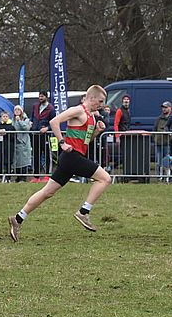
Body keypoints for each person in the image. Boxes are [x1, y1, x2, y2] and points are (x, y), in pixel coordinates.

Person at [8, 85, 111, 242]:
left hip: (72, 158)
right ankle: (83, 212)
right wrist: (62, 142)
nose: (102, 105)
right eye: (101, 101)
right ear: (91, 98)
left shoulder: (91, 117)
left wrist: (97, 132)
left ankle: (18, 218)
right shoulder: (78, 110)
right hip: (71, 157)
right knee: (105, 178)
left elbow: (85, 142)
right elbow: (54, 121)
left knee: (47, 192)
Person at [31, 91, 54, 180]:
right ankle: (36, 176)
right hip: (35, 134)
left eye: (42, 96)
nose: (40, 98)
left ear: (46, 97)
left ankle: (47, 175)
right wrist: (31, 123)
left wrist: (47, 128)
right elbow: (32, 117)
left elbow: (53, 122)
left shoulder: (50, 109)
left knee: (47, 155)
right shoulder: (35, 106)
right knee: (36, 155)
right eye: (39, 96)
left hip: (45, 135)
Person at [11, 105, 33, 180]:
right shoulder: (12, 119)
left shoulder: (26, 119)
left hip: (23, 142)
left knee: (24, 161)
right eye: (15, 110)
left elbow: (26, 128)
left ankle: (23, 177)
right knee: (17, 161)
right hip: (15, 142)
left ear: (21, 111)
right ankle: (18, 177)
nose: (17, 111)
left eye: (18, 110)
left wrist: (19, 121)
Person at [0, 110, 15, 182]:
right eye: (3, 116)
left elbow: (14, 137)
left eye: (6, 116)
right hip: (0, 147)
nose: (5, 118)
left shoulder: (12, 127)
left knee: (8, 162)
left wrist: (7, 133)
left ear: (8, 117)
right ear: (1, 117)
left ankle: (8, 178)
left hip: (9, 147)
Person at [153, 101, 171, 182]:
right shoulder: (158, 119)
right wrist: (155, 138)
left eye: (166, 107)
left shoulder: (170, 118)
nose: (164, 109)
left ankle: (167, 177)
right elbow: (154, 129)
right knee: (158, 162)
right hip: (158, 143)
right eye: (163, 107)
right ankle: (159, 177)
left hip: (168, 143)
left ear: (170, 108)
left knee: (167, 161)